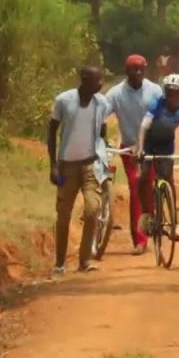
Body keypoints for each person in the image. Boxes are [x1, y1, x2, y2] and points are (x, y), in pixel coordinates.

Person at [47, 66, 110, 274]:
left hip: (90, 165)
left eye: (101, 79)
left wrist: (104, 158)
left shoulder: (101, 103)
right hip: (67, 168)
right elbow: (52, 131)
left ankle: (84, 261)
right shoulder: (64, 101)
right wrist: (53, 166)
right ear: (84, 80)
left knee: (93, 210)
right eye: (96, 79)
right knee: (64, 214)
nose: (100, 83)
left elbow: (103, 132)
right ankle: (60, 263)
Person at [104, 54, 163, 255]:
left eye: (140, 69)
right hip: (129, 149)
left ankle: (154, 221)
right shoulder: (116, 94)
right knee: (136, 186)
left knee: (150, 186)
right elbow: (101, 114)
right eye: (133, 69)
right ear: (126, 70)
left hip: (152, 148)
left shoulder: (155, 90)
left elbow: (164, 116)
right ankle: (140, 239)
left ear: (145, 69)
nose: (137, 73)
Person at [135, 74, 179, 242]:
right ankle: (147, 213)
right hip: (149, 141)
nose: (172, 98)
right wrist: (140, 149)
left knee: (168, 177)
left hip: (166, 143)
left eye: (176, 94)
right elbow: (143, 127)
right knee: (143, 176)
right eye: (169, 93)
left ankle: (174, 221)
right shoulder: (157, 103)